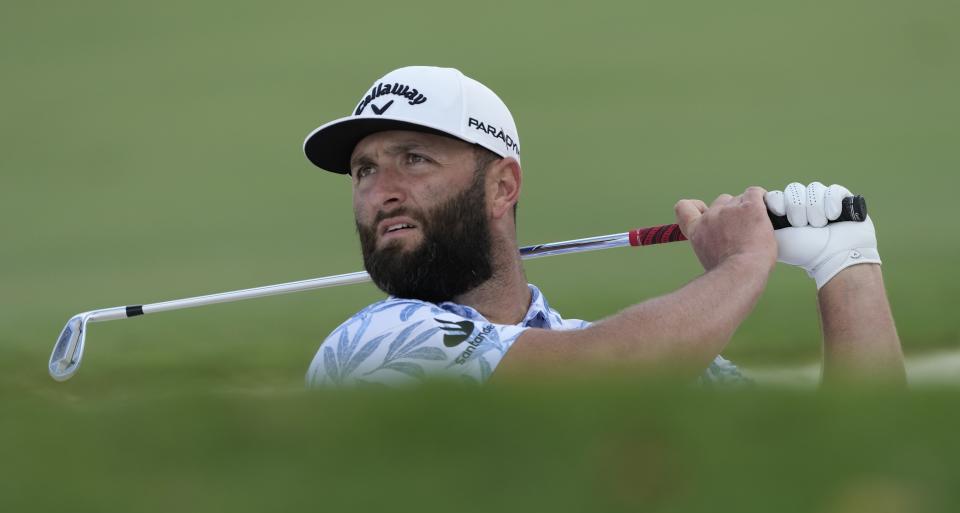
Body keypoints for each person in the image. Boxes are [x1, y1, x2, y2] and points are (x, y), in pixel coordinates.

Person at [301, 66, 904, 387]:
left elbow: (849, 465)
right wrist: (744, 263)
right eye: (363, 171)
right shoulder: (372, 346)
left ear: (502, 187)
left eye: (414, 159)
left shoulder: (632, 352)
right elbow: (603, 372)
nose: (381, 192)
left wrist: (846, 263)